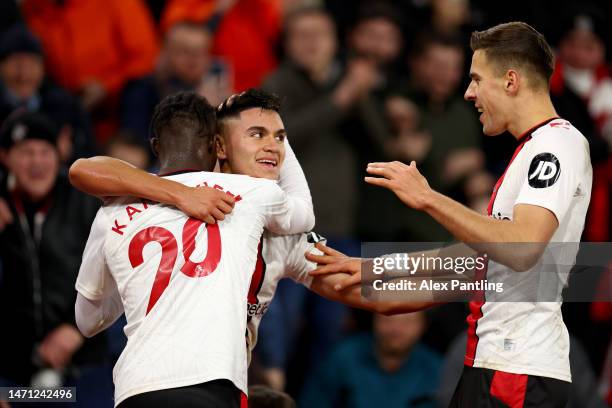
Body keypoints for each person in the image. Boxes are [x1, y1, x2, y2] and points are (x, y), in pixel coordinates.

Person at [308, 22, 592, 407]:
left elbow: (522, 250)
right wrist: (371, 270)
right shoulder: (534, 148)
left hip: (515, 371)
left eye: (476, 79)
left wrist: (427, 198)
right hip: (496, 366)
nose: (468, 92)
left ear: (510, 81)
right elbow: (473, 261)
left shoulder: (556, 145)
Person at [74, 90, 315, 407]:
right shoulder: (258, 196)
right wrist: (400, 274)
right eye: (258, 135)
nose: (271, 147)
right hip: (212, 384)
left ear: (156, 147)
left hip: (136, 389)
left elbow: (87, 321)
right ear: (219, 146)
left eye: (278, 138)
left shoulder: (115, 210)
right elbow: (355, 277)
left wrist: (138, 283)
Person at [0, 112, 111, 407]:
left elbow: (119, 277)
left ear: (59, 154)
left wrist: (77, 328)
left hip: (87, 368)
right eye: (25, 153)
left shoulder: (88, 203)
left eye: (44, 152)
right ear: (6, 157)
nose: (36, 162)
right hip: (14, 376)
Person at [300, 312, 441, 408]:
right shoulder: (344, 356)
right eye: (388, 318)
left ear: (423, 325)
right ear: (374, 317)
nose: (396, 329)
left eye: (407, 322)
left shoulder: (436, 369)